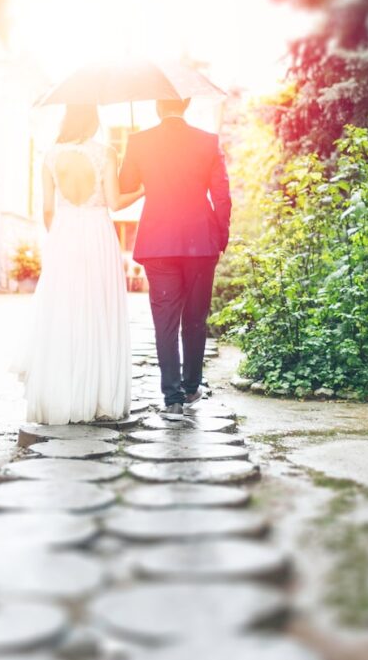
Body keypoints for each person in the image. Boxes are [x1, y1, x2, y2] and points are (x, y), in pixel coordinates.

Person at [20, 104, 144, 423]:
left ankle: (61, 394)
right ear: (93, 122)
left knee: (63, 310)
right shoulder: (106, 153)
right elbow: (115, 203)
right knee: (98, 307)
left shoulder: (50, 155)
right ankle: (99, 396)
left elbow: (47, 209)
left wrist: (60, 236)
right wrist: (143, 189)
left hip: (64, 233)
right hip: (97, 232)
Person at [119, 97, 232, 414]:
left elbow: (125, 184)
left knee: (164, 320)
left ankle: (172, 397)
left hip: (158, 242)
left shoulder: (139, 141)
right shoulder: (208, 142)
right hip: (201, 242)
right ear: (187, 104)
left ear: (156, 106)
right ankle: (192, 387)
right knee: (195, 318)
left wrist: (135, 157)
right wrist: (220, 239)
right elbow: (222, 195)